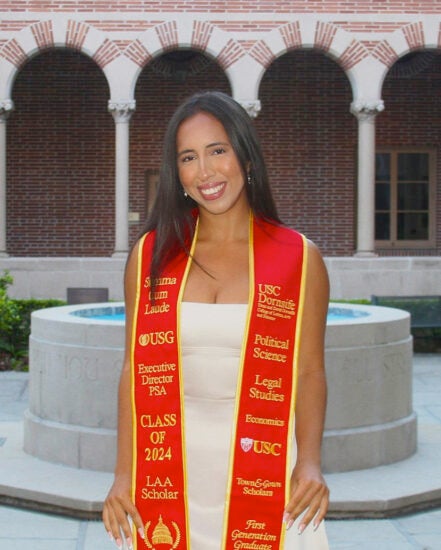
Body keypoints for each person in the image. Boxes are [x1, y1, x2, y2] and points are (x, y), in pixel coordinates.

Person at [103, 90, 330, 550]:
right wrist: (123, 474)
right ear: (178, 174)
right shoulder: (151, 256)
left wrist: (309, 462)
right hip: (166, 471)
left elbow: (309, 371)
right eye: (188, 157)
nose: (205, 171)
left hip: (265, 472)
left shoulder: (298, 258)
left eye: (217, 150)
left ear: (246, 157)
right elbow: (133, 371)